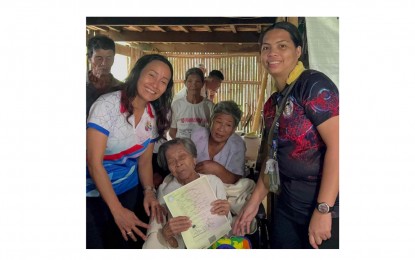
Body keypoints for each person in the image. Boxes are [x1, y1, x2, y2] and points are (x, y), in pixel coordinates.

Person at [232, 21, 339, 249]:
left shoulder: (313, 85)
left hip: (327, 210)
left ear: (298, 52)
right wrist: (252, 204)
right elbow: (272, 160)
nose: (272, 53)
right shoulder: (272, 104)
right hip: (287, 207)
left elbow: (340, 146)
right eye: (266, 48)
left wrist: (324, 208)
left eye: (282, 46)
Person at [86, 54, 173, 249]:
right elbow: (94, 162)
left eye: (163, 81)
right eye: (151, 75)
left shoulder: (153, 114)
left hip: (128, 189)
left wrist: (149, 191)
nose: (155, 84)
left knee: (125, 244)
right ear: (137, 74)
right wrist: (118, 211)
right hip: (92, 194)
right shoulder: (107, 106)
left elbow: (143, 162)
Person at [142, 138, 231, 249]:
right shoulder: (165, 190)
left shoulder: (213, 182)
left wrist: (226, 212)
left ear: (194, 159)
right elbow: (168, 238)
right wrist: (167, 235)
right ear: (169, 168)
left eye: (182, 157)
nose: (178, 163)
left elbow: (227, 228)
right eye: (171, 161)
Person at [190, 100, 246, 184]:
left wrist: (216, 169)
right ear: (211, 121)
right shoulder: (197, 135)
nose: (221, 129)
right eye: (218, 122)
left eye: (228, 125)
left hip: (224, 189)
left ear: (234, 129)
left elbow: (236, 179)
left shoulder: (237, 144)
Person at [169, 67, 214, 139]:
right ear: (185, 83)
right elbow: (172, 132)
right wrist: (182, 146)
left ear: (203, 84)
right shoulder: (177, 105)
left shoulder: (209, 106)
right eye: (190, 81)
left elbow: (213, 131)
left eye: (197, 81)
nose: (194, 85)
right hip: (182, 147)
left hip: (202, 147)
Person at [86, 35, 123, 116]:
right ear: (89, 59)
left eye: (109, 58)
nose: (104, 63)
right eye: (99, 58)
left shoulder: (120, 88)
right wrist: (91, 88)